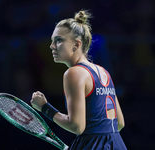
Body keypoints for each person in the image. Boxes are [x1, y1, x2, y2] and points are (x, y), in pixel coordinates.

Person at [30, 10, 127, 150]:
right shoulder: (104, 72)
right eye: (52, 41)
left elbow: (76, 126)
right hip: (116, 144)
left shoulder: (73, 73)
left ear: (76, 44)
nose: (52, 46)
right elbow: (119, 123)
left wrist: (45, 108)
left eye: (58, 40)